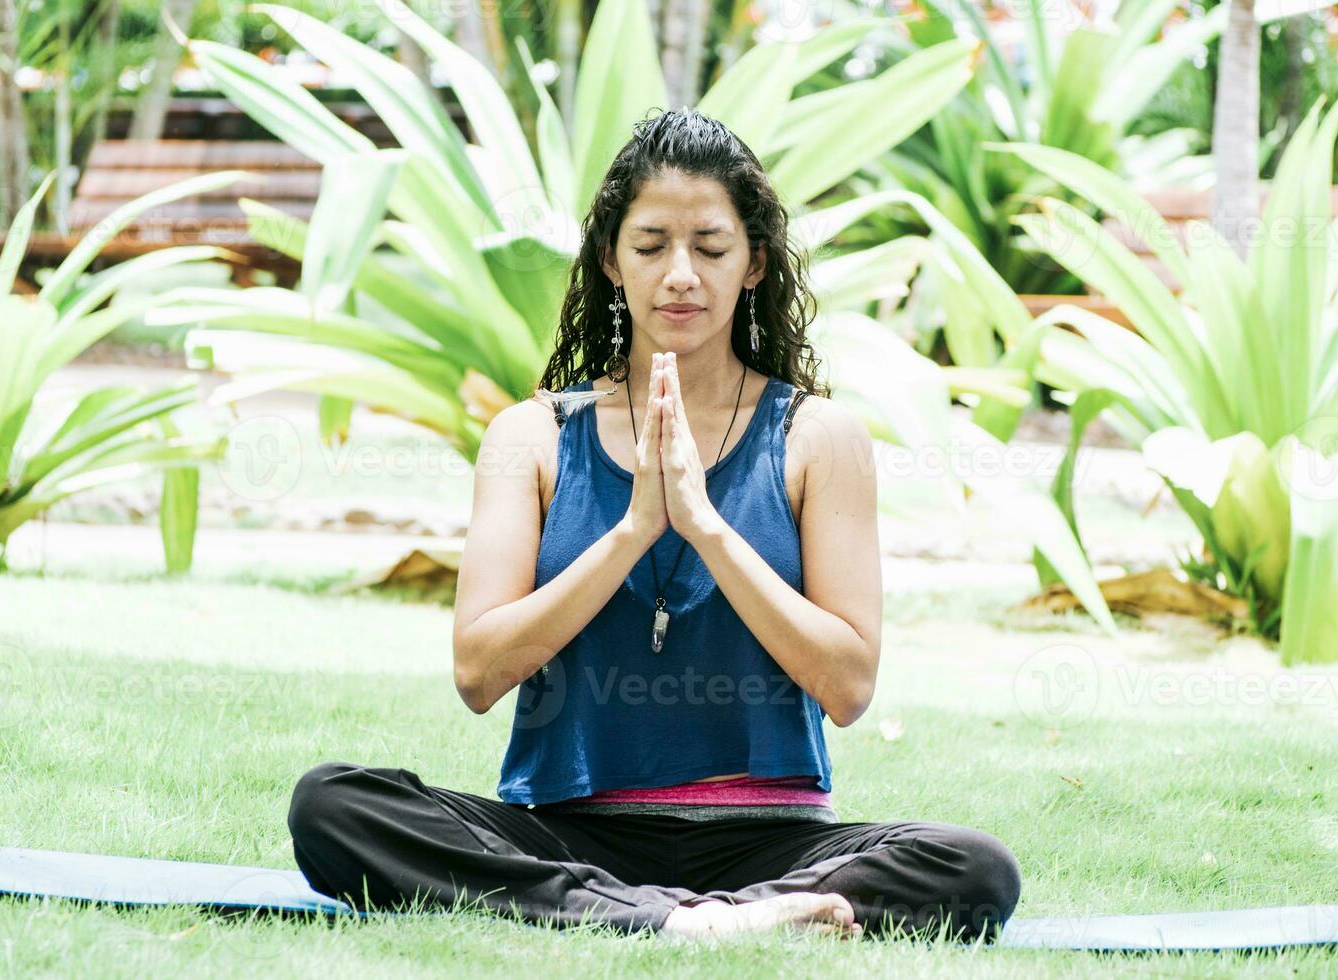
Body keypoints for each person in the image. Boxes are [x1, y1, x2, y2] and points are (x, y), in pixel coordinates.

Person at [287, 107, 1021, 943]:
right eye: (650, 247)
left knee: (975, 866)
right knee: (333, 804)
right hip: (569, 831)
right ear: (611, 260)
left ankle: (699, 916)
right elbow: (478, 672)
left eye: (710, 248)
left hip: (771, 845)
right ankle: (682, 922)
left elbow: (848, 687)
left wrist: (706, 525)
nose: (680, 275)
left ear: (754, 265)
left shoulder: (819, 439)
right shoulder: (531, 438)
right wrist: (634, 528)